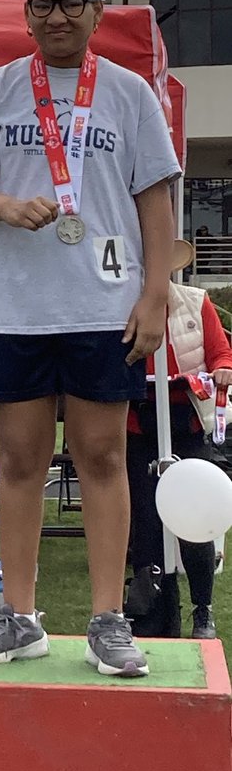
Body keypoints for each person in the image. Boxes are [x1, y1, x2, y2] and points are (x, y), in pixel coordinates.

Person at [0, 0, 180, 677]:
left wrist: (154, 295)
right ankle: (18, 616)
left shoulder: (131, 94)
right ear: (26, 10)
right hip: (15, 308)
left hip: (104, 307)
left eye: (72, 3)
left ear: (99, 7)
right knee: (18, 461)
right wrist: (8, 206)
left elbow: (155, 202)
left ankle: (109, 620)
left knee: (103, 457)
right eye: (42, 4)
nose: (57, 18)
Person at [126, 239, 232, 640]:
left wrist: (220, 371)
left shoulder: (195, 302)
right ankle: (154, 611)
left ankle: (202, 610)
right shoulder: (122, 308)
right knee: (147, 523)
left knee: (194, 520)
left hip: (186, 421)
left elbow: (221, 353)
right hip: (139, 424)